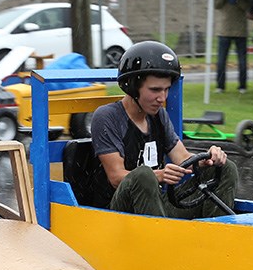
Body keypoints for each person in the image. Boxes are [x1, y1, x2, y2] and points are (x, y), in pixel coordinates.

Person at [90, 40, 238, 218]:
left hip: (158, 207)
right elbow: (115, 177)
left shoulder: (158, 115)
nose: (162, 98)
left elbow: (182, 158)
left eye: (166, 89)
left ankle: (217, 237)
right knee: (143, 175)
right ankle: (159, 242)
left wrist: (208, 159)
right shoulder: (107, 117)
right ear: (132, 87)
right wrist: (158, 175)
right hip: (117, 215)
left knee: (225, 168)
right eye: (155, 90)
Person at [213, 0, 253, 93]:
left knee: (242, 61)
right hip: (224, 29)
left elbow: (247, 6)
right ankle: (220, 86)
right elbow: (217, 5)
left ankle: (242, 86)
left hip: (240, 30)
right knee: (221, 61)